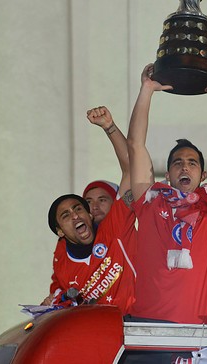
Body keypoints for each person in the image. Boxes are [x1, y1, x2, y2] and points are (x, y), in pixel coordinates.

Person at [126, 61, 207, 324]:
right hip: (145, 326)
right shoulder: (150, 199)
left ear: (203, 176)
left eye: (192, 162)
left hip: (196, 330)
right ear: (167, 176)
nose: (184, 166)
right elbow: (135, 146)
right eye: (177, 163)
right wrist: (146, 90)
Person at [44, 106, 135, 314]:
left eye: (78, 208)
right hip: (97, 339)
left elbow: (131, 168)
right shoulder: (61, 259)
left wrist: (109, 127)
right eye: (66, 215)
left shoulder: (116, 228)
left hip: (137, 329)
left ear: (89, 214)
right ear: (60, 231)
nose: (75, 215)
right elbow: (58, 300)